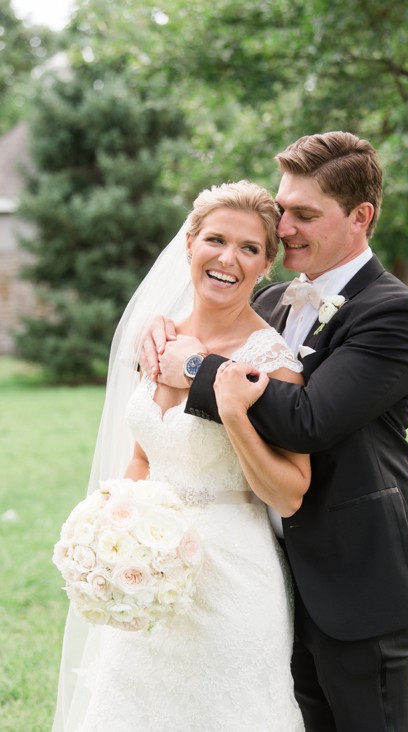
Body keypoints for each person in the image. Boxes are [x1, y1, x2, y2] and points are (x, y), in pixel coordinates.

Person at [143, 131, 408, 731]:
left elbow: (310, 421)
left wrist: (198, 369)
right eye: (283, 212)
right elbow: (222, 318)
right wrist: (163, 328)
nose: (287, 230)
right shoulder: (275, 300)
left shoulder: (392, 311)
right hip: (264, 575)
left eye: (306, 215)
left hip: (356, 574)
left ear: (362, 217)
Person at [53, 180, 310, 730]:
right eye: (215, 239)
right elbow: (144, 460)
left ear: (266, 265)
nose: (228, 259)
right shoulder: (156, 342)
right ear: (189, 243)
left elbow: (290, 492)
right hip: (143, 572)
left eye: (249, 248)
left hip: (235, 580)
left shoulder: (271, 360)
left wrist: (235, 412)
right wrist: (109, 540)